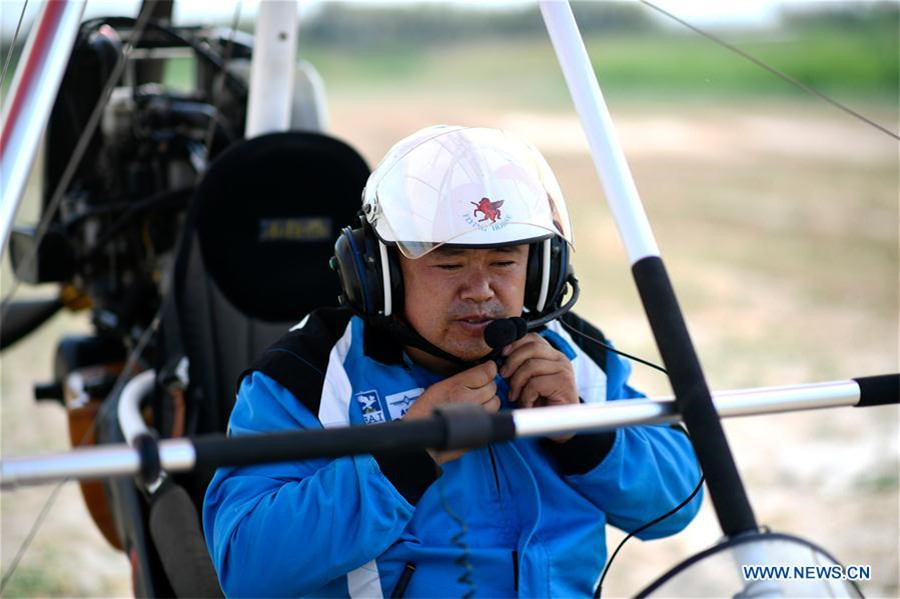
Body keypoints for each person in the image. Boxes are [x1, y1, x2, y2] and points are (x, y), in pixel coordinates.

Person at [203, 125, 703, 598]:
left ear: (541, 269)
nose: (481, 290)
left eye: (504, 262)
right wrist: (406, 454)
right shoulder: (308, 376)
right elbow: (245, 566)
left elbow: (677, 504)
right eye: (449, 264)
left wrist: (584, 432)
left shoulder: (574, 355)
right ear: (381, 274)